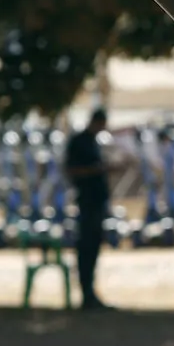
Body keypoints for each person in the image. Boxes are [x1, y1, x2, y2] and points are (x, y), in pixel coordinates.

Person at [63, 109, 112, 310]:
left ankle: (90, 293)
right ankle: (86, 294)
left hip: (97, 202)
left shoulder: (93, 141)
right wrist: (97, 170)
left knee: (93, 248)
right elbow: (72, 169)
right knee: (86, 247)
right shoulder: (80, 141)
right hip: (87, 202)